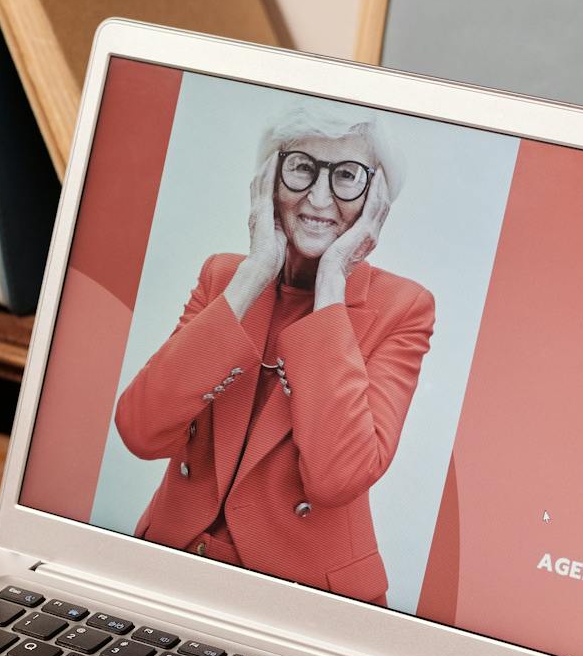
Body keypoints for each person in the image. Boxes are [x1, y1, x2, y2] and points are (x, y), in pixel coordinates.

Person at [113, 106, 435, 604]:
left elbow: (337, 477)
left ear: (377, 200)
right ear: (269, 179)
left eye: (347, 176)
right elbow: (140, 429)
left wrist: (332, 283)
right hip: (169, 567)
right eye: (302, 166)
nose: (320, 197)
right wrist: (254, 273)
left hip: (303, 600)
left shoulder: (403, 308)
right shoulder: (224, 278)